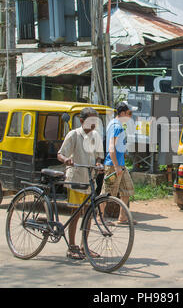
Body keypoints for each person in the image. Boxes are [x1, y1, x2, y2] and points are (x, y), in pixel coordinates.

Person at [57, 107, 104, 260]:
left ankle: (84, 246)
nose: (93, 124)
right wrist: (67, 160)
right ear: (82, 121)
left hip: (89, 179)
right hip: (76, 178)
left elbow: (98, 156)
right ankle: (72, 246)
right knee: (75, 214)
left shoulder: (96, 136)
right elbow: (60, 154)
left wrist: (98, 164)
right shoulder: (74, 135)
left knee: (89, 215)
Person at [102, 102, 136, 225]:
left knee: (127, 189)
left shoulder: (114, 124)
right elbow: (111, 148)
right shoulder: (117, 126)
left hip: (120, 164)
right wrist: (116, 166)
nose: (130, 116)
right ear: (122, 113)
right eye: (129, 113)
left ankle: (122, 217)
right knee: (107, 192)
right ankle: (100, 218)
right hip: (113, 165)